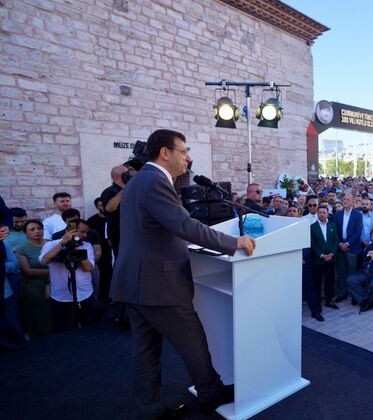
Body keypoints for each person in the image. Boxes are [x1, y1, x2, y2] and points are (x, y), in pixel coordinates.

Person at [109, 129, 256, 419]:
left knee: (146, 352)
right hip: (159, 284)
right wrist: (233, 242)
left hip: (135, 282)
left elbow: (155, 229)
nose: (188, 158)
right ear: (165, 153)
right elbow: (185, 226)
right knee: (193, 342)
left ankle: (149, 409)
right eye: (184, 151)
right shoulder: (154, 181)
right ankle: (210, 394)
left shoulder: (140, 181)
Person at [39, 219, 96, 332]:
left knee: (89, 326)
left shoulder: (86, 246)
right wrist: (62, 244)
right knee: (62, 328)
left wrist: (76, 247)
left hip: (84, 293)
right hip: (60, 296)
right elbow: (44, 261)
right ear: (70, 231)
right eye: (82, 232)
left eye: (86, 232)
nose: (85, 235)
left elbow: (88, 268)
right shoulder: (51, 244)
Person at [14, 220, 51, 338]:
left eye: (39, 228)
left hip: (56, 283)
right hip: (34, 285)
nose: (37, 232)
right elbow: (28, 271)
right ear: (26, 233)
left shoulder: (51, 244)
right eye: (32, 229)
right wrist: (52, 272)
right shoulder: (21, 250)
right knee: (38, 314)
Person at [333, 193, 363, 303]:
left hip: (352, 248)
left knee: (352, 272)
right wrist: (341, 244)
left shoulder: (357, 215)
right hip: (340, 248)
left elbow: (358, 232)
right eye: (344, 199)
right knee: (341, 272)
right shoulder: (338, 215)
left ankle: (354, 295)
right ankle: (342, 293)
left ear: (352, 201)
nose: (345, 201)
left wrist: (348, 244)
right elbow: (335, 231)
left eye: (348, 199)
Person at [311, 206, 338, 319]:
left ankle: (329, 300)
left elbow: (336, 241)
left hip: (330, 259)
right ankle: (317, 303)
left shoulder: (332, 225)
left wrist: (331, 254)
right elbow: (313, 244)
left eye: (324, 212)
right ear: (317, 213)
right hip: (318, 260)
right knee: (317, 283)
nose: (322, 214)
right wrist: (321, 255)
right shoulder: (312, 227)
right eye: (320, 212)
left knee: (329, 281)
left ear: (327, 214)